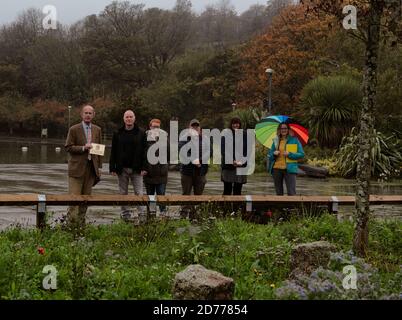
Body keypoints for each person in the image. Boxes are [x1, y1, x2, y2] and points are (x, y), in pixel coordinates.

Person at [65, 105, 102, 229]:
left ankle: (81, 226)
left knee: (85, 200)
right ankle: (71, 226)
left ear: (93, 115)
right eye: (85, 113)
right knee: (74, 200)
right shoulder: (74, 129)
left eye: (90, 113)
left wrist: (99, 168)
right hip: (76, 170)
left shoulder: (97, 130)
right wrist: (83, 148)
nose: (87, 115)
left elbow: (99, 150)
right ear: (81, 114)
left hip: (91, 170)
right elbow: (68, 147)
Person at [109, 110, 147, 222]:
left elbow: (145, 151)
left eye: (131, 117)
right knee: (122, 192)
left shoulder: (141, 132)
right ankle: (125, 216)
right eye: (127, 117)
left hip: (137, 168)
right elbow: (113, 151)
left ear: (134, 118)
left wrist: (144, 167)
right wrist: (112, 168)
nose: (129, 119)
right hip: (122, 168)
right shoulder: (118, 133)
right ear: (124, 119)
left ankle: (142, 215)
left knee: (139, 192)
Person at [179, 119, 210, 219]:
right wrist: (193, 160)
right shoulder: (184, 138)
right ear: (189, 128)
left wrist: (200, 160)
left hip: (201, 171)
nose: (195, 128)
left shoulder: (205, 139)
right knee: (186, 194)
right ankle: (183, 216)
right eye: (193, 126)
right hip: (187, 172)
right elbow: (182, 151)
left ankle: (194, 216)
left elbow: (210, 151)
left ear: (200, 128)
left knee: (198, 195)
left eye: (197, 126)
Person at [268, 122, 305, 196]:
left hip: (290, 169)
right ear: (279, 130)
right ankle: (279, 207)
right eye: (281, 128)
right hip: (276, 169)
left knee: (291, 193)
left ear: (288, 129)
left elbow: (301, 154)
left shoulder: (294, 140)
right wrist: (274, 154)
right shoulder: (276, 141)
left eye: (285, 128)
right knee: (278, 193)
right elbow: (270, 155)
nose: (283, 130)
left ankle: (291, 208)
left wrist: (290, 154)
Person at [144, 119, 168, 216]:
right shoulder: (144, 138)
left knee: (161, 195)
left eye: (157, 127)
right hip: (148, 173)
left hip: (161, 173)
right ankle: (151, 215)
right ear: (150, 127)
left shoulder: (165, 138)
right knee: (150, 197)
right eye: (154, 126)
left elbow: (171, 154)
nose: (156, 129)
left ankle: (163, 215)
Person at [221, 117, 248, 195]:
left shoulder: (245, 134)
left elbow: (247, 150)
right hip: (228, 166)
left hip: (240, 165)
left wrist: (241, 161)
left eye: (237, 123)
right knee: (227, 189)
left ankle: (237, 207)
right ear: (231, 124)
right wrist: (232, 160)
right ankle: (225, 207)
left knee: (238, 189)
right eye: (233, 123)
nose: (235, 125)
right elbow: (223, 150)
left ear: (240, 124)